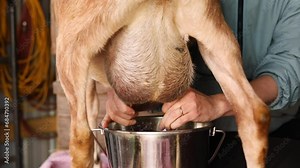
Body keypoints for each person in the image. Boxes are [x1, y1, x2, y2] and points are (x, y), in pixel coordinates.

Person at [102, 0, 300, 167]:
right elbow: (151, 42)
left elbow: (288, 69)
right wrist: (121, 91)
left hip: (274, 132)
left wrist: (218, 104)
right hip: (184, 134)